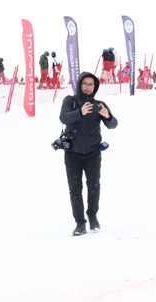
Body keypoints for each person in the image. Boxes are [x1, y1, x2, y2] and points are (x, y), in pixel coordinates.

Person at [59, 72, 118, 236]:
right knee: (75, 189)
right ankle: (80, 223)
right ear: (79, 84)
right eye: (85, 84)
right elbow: (63, 118)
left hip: (93, 153)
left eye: (91, 84)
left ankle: (92, 216)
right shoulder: (70, 101)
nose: (87, 87)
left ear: (95, 87)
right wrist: (80, 112)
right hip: (72, 154)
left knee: (94, 186)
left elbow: (113, 125)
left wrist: (108, 116)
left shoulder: (99, 104)